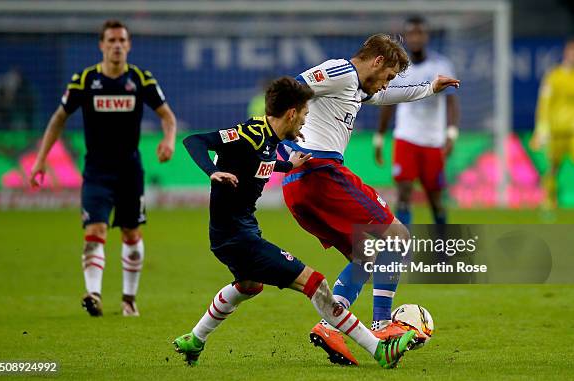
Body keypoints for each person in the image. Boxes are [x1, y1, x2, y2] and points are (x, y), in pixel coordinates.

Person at [174, 76, 417, 369]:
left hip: (240, 231)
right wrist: (212, 171)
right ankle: (379, 349)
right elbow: (195, 141)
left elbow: (260, 161)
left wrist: (290, 165)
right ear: (291, 113)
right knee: (314, 282)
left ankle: (195, 339)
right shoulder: (249, 133)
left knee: (249, 285)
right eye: (304, 114)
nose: (305, 121)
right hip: (237, 237)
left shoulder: (270, 140)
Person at [279, 34, 459, 365]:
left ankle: (330, 325)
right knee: (398, 237)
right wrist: (272, 141)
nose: (385, 84)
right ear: (377, 62)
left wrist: (431, 87)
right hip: (320, 171)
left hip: (298, 186)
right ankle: (382, 325)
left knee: (368, 254)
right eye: (388, 75)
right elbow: (291, 88)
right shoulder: (341, 72)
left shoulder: (356, 88)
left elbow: (388, 96)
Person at [28, 20, 177, 317]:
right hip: (96, 170)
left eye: (122, 40)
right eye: (111, 40)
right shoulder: (84, 81)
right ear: (101, 45)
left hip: (130, 171)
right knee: (94, 229)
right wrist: (41, 158)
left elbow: (168, 117)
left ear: (129, 45)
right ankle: (94, 294)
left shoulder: (141, 80)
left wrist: (169, 140)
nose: (117, 45)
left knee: (131, 234)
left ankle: (128, 299)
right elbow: (59, 118)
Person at [374, 16, 460, 227]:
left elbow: (451, 102)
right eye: (411, 33)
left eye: (419, 33)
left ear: (426, 36)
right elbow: (389, 101)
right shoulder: (398, 68)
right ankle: (404, 252)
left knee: (435, 200)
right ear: (406, 37)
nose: (415, 38)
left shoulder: (441, 65)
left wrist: (451, 134)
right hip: (406, 138)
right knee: (403, 194)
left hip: (432, 141)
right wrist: (379, 136)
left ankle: (442, 248)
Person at [530, 38, 574, 220]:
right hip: (557, 130)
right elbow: (544, 103)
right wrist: (541, 129)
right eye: (573, 52)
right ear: (566, 53)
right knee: (554, 167)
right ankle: (548, 203)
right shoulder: (553, 76)